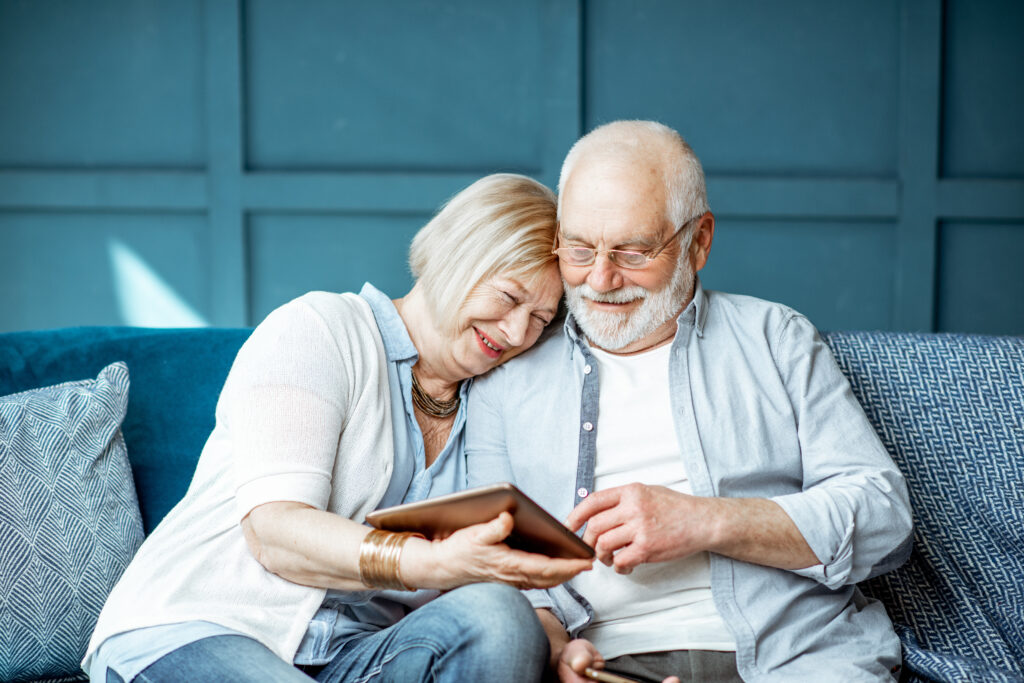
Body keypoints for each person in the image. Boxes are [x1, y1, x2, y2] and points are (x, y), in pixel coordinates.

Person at [83, 173, 594, 683]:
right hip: (205, 626)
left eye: (540, 319)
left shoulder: (489, 407)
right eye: (508, 297)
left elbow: (508, 579)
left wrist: (558, 651)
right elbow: (275, 533)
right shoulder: (321, 327)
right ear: (455, 255)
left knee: (500, 619)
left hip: (355, 659)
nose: (516, 332)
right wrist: (429, 562)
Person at [466, 121, 914, 682]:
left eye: (633, 250)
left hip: (796, 657)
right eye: (579, 249)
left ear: (698, 241)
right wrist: (555, 646)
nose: (601, 280)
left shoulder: (776, 338)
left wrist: (705, 520)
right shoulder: (507, 376)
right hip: (609, 667)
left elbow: (883, 517)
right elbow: (495, 559)